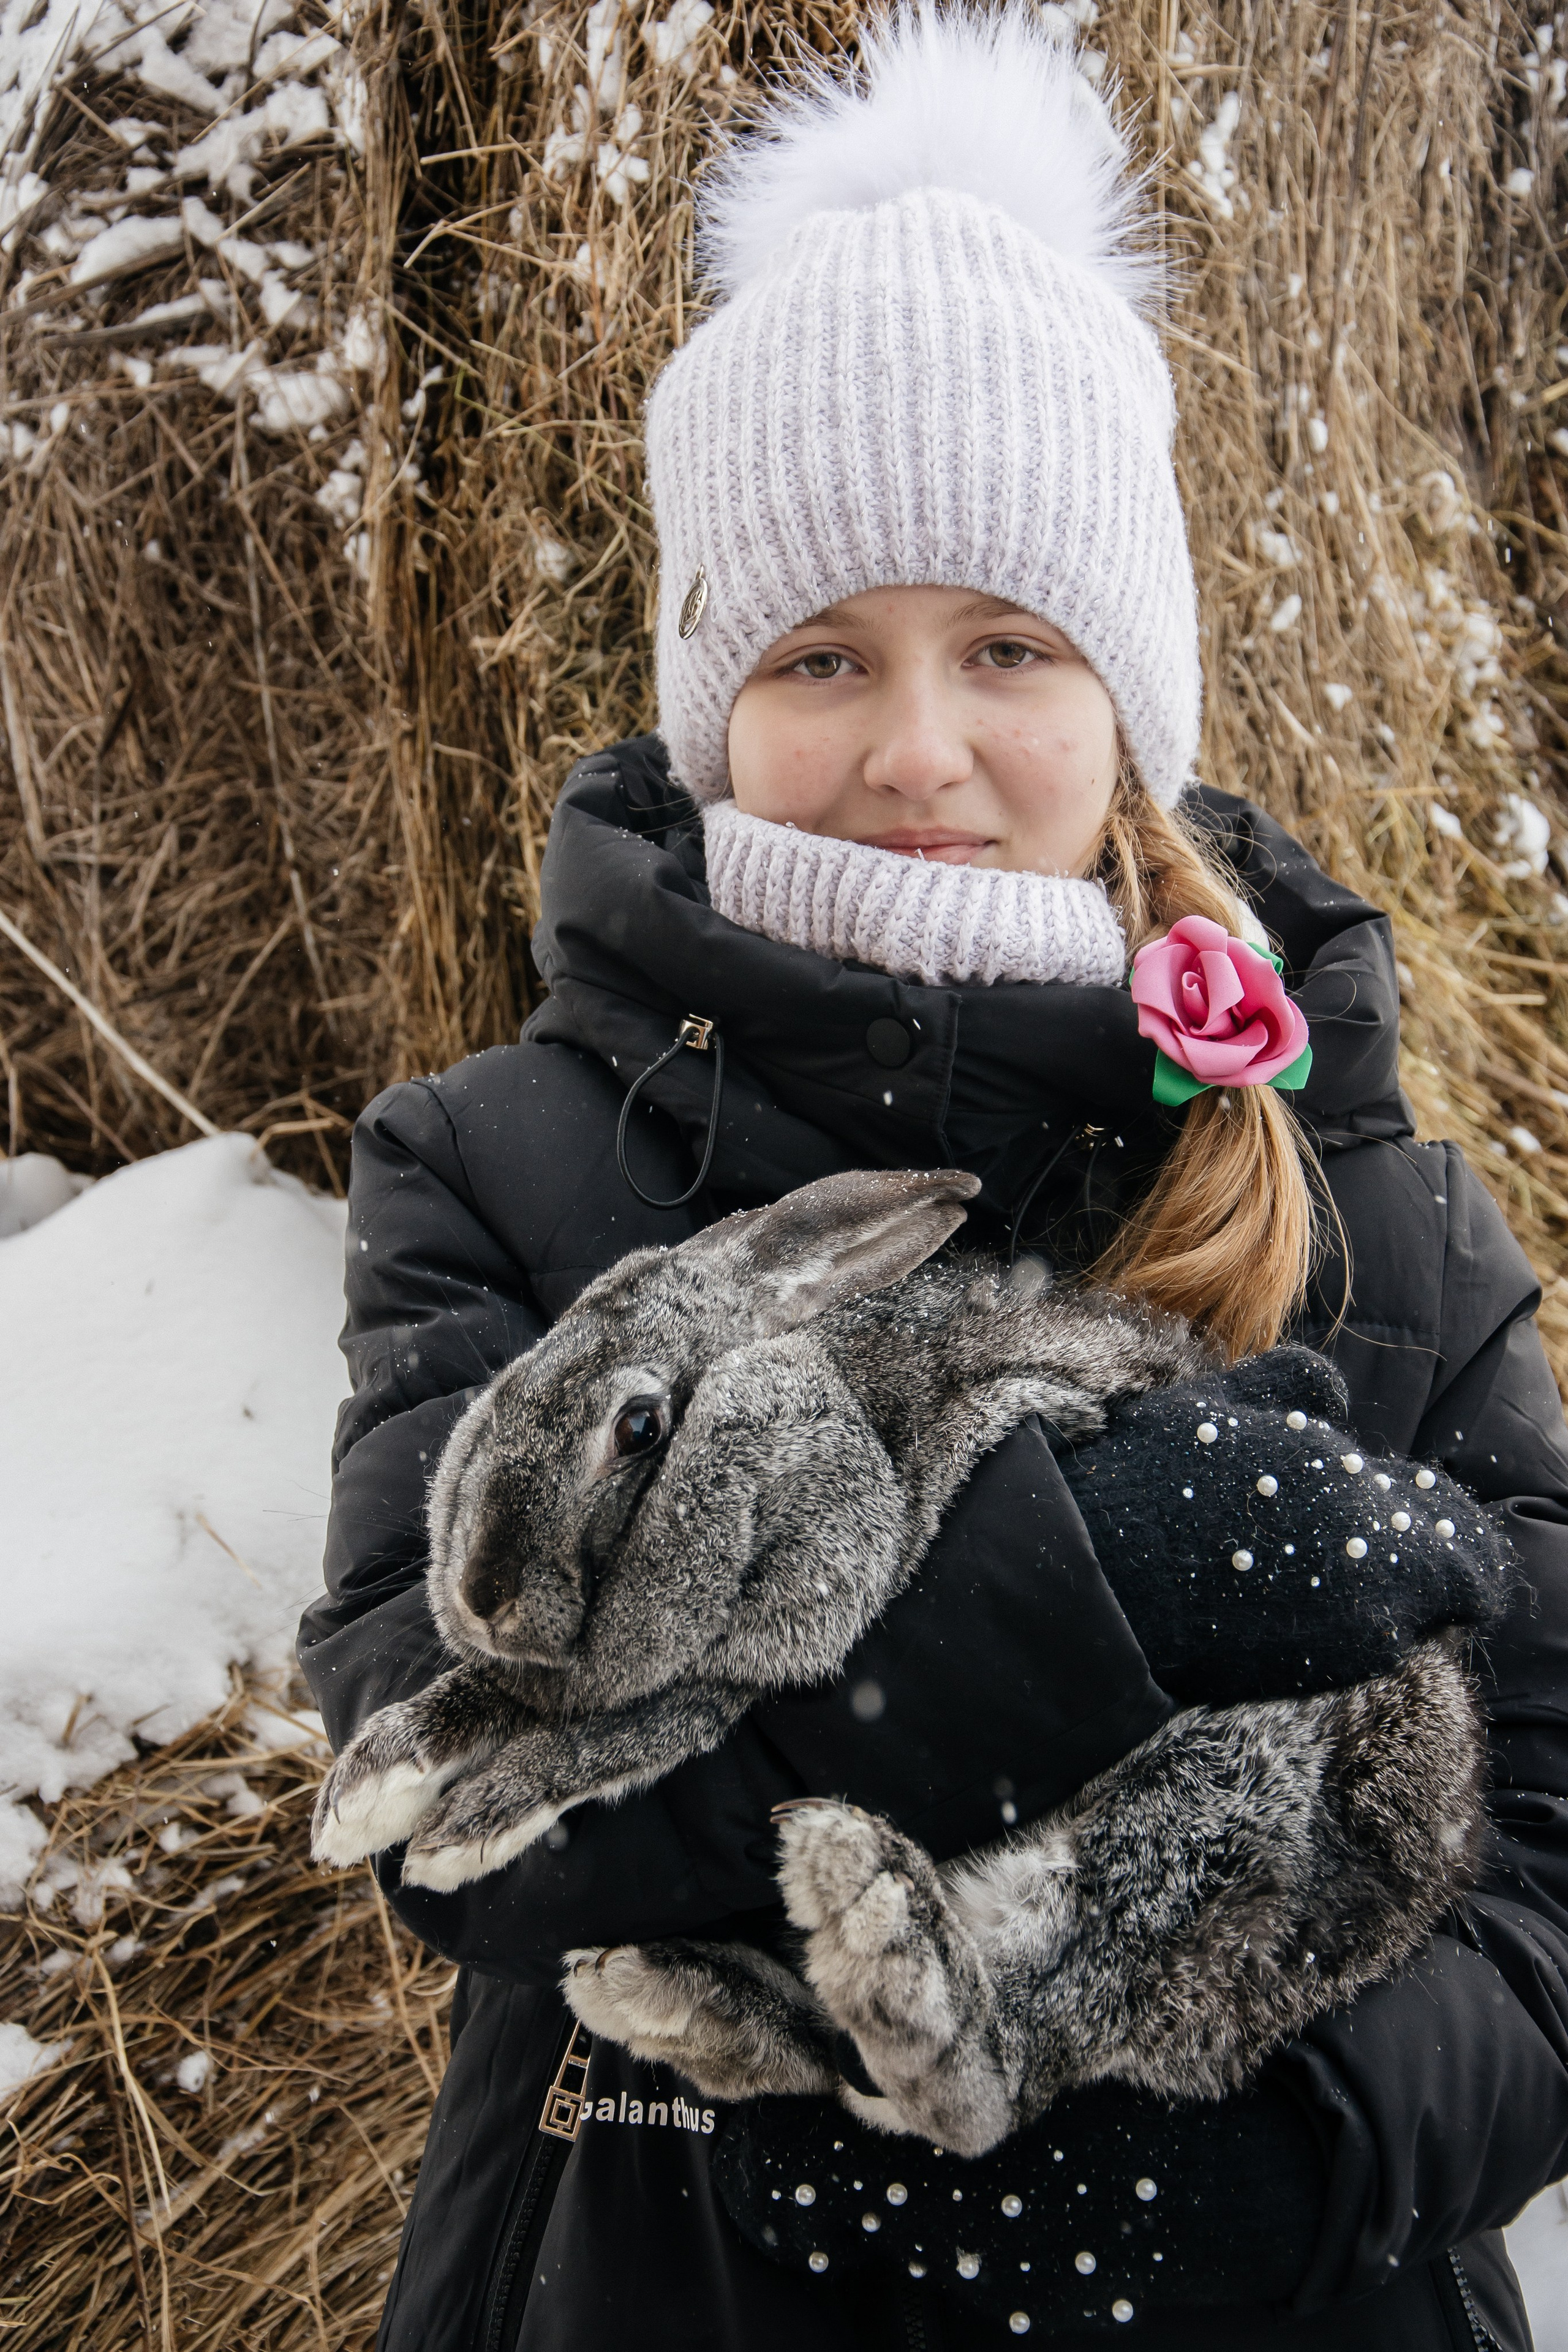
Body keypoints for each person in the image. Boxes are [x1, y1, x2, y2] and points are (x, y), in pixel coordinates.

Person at [296, 11, 1568, 2347]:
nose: (915, 751)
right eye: (818, 654)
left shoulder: (1371, 1195)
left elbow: (1561, 1855)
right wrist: (1070, 1597)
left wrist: (1305, 2167)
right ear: (715, 703)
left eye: (1007, 645)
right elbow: (447, 1782)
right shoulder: (497, 1164)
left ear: (1127, 694)